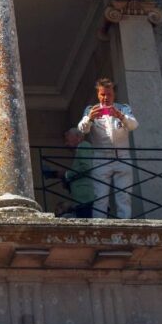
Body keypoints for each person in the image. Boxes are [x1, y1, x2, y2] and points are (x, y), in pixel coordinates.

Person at [76, 77, 139, 219]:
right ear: (98, 94)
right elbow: (82, 130)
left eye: (109, 94)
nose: (106, 98)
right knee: (100, 198)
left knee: (124, 196)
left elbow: (134, 125)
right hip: (101, 158)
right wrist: (89, 118)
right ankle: (99, 226)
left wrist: (121, 116)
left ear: (113, 94)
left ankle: (125, 225)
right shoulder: (91, 110)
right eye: (103, 94)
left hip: (122, 157)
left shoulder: (123, 108)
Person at [63, 127, 95, 218]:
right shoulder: (79, 149)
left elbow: (86, 167)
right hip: (81, 197)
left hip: (85, 196)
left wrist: (67, 174)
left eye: (68, 136)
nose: (66, 141)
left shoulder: (84, 145)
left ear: (78, 137)